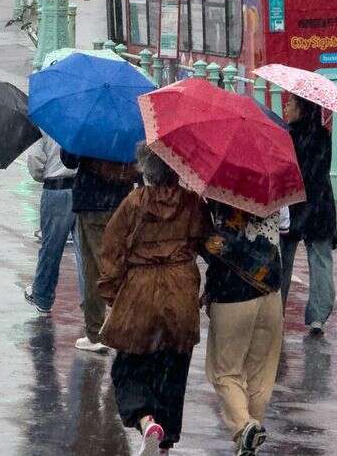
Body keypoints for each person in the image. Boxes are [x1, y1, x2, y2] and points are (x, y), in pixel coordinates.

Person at [99, 143, 209, 456]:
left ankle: (146, 420)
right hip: (180, 292)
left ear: (146, 169)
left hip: (140, 294)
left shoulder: (134, 203)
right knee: (174, 369)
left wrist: (112, 294)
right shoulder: (191, 204)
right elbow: (208, 243)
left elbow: (111, 250)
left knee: (129, 368)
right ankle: (165, 443)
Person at [201, 202, 287, 456]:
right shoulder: (272, 199)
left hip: (233, 294)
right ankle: (250, 442)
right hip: (271, 291)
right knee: (260, 376)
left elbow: (217, 248)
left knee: (226, 372)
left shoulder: (225, 199)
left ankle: (245, 425)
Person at [61, 148, 139, 353]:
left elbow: (69, 160)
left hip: (92, 204)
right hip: (121, 204)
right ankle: (103, 331)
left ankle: (104, 331)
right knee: (109, 267)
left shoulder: (89, 125)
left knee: (98, 270)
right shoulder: (131, 127)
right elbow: (139, 170)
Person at [280, 95, 337, 335]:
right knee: (320, 260)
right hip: (321, 204)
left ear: (301, 109)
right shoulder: (323, 136)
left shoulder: (286, 135)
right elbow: (320, 169)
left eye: (290, 104)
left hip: (293, 203)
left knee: (283, 261)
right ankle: (318, 317)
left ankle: (276, 310)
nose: (285, 107)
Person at [23, 133, 78, 313]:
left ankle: (42, 296)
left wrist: (43, 174)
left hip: (56, 187)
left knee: (51, 248)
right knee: (86, 253)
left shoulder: (48, 120)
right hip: (83, 188)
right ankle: (91, 304)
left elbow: (35, 159)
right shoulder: (88, 117)